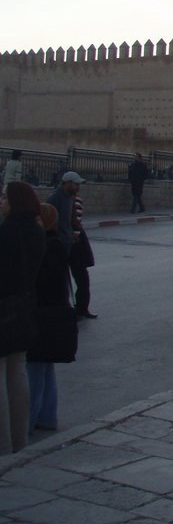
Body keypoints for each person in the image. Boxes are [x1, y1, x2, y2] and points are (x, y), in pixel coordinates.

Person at [0, 181, 46, 454]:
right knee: (18, 373)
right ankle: (20, 442)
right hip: (25, 308)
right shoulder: (37, 231)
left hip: (3, 308)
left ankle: (3, 447)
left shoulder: (6, 232)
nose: (1, 201)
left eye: (4, 197)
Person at [26, 204, 77, 434]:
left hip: (44, 316)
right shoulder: (56, 245)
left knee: (35, 370)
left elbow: (42, 284)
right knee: (44, 369)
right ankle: (47, 417)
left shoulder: (47, 248)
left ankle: (28, 420)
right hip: (54, 315)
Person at [47, 172, 96, 319]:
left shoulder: (71, 198)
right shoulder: (55, 199)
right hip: (60, 245)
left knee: (82, 278)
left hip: (73, 244)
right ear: (67, 183)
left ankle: (81, 308)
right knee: (62, 280)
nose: (78, 187)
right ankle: (64, 310)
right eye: (76, 184)